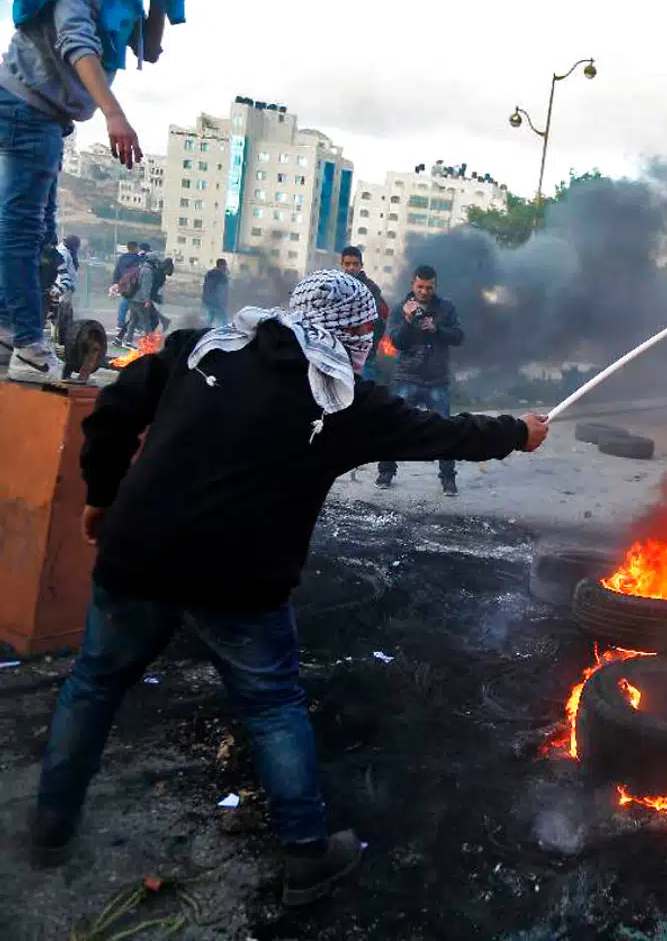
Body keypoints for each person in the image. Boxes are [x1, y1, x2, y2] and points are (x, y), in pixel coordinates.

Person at [28, 269, 550, 906]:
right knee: (273, 706)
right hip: (242, 580)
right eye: (367, 332)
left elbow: (110, 413)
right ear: (355, 332)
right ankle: (306, 855)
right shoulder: (342, 401)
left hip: (138, 552)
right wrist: (517, 433)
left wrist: (104, 494)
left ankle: (50, 825)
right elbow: (447, 434)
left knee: (95, 681)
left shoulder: (199, 348)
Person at [0, 0, 184, 384]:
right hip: (25, 107)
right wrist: (113, 114)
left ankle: (8, 331)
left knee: (41, 239)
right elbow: (76, 43)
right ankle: (28, 346)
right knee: (23, 232)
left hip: (49, 118)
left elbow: (149, 49)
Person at [376, 264, 465, 495]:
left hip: (437, 379)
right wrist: (407, 321)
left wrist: (436, 329)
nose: (424, 291)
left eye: (429, 287)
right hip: (407, 376)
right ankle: (385, 471)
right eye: (420, 287)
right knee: (393, 423)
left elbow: (458, 336)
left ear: (435, 285)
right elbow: (396, 342)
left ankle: (448, 479)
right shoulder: (400, 309)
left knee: (445, 429)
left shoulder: (446, 308)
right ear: (413, 285)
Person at [339, 246, 387, 380]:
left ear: (361, 265)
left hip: (364, 355)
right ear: (342, 264)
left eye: (355, 264)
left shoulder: (371, 289)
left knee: (363, 396)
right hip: (339, 353)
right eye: (347, 264)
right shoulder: (335, 287)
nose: (351, 268)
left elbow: (377, 321)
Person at [112, 240, 141, 333]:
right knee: (136, 305)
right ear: (135, 248)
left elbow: (116, 271)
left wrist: (115, 282)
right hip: (135, 285)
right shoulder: (139, 259)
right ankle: (134, 326)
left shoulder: (122, 258)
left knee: (124, 303)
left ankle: (120, 323)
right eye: (137, 247)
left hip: (124, 284)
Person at [202, 258, 229, 327]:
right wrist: (223, 303)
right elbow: (222, 291)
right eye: (225, 265)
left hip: (207, 300)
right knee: (224, 320)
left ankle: (205, 331)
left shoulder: (209, 273)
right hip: (217, 302)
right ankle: (224, 333)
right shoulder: (222, 276)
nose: (226, 267)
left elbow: (205, 286)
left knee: (210, 317)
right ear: (221, 265)